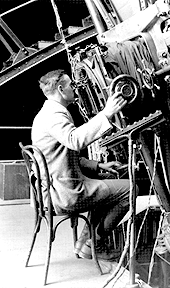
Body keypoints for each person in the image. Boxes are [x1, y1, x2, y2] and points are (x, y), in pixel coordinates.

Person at [31, 69, 138, 261]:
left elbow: (62, 156)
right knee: (130, 189)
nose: (75, 88)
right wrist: (106, 113)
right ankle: (94, 243)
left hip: (55, 188)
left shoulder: (47, 113)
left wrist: (98, 166)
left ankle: (84, 244)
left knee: (106, 181)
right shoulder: (55, 115)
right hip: (65, 194)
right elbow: (74, 141)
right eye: (71, 85)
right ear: (61, 89)